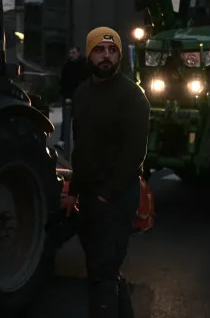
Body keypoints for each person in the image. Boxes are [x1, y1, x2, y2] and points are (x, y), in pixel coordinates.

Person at [61, 27, 150, 318]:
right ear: (89, 54)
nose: (106, 56)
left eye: (112, 51)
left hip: (117, 195)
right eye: (100, 50)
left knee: (102, 271)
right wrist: (73, 193)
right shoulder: (83, 93)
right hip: (88, 194)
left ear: (120, 55)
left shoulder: (132, 95)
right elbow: (81, 149)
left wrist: (107, 195)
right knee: (102, 270)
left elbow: (135, 154)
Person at [58, 46, 90, 154]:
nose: (71, 55)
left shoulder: (83, 65)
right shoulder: (67, 66)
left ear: (78, 53)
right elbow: (63, 81)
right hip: (68, 96)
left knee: (79, 121)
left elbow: (86, 81)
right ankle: (63, 141)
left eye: (73, 52)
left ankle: (79, 143)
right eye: (70, 53)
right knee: (66, 121)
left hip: (80, 97)